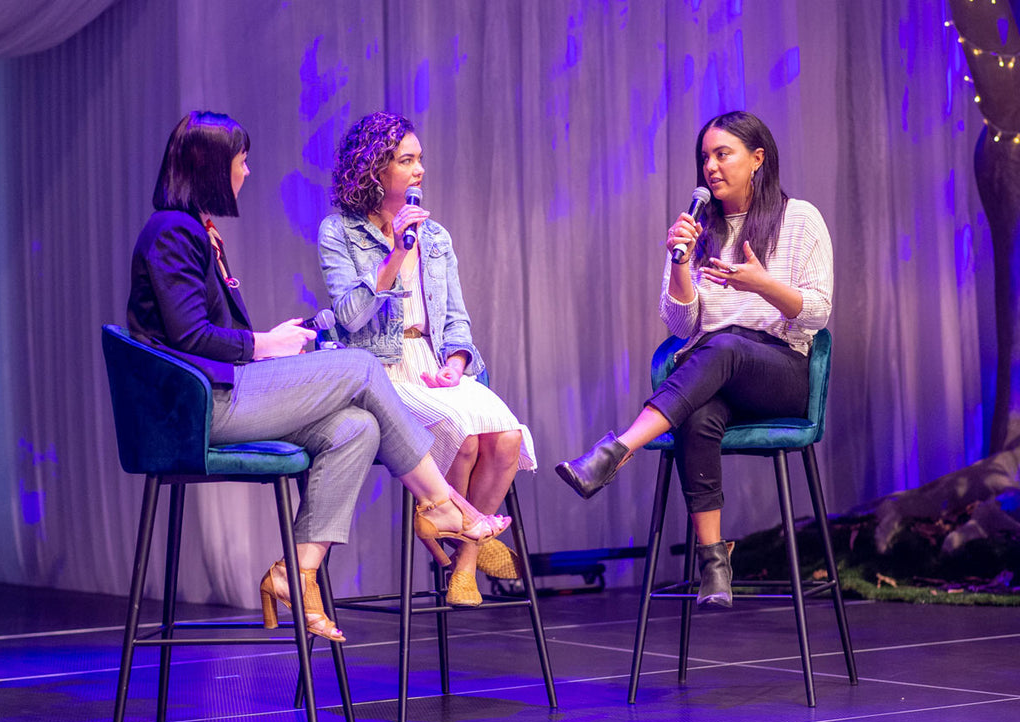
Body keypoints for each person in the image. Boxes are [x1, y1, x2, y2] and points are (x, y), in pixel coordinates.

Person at [126, 111, 510, 642]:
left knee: (357, 428)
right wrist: (263, 345)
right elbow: (188, 337)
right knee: (357, 365)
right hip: (193, 408)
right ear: (210, 166)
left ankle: (293, 572)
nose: (247, 171)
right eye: (241, 161)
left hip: (222, 389)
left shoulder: (196, 230)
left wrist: (269, 344)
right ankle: (443, 502)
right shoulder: (172, 231)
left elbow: (200, 333)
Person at [556, 111, 833, 609]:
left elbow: (816, 313)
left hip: (780, 373)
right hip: (714, 375)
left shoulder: (800, 218)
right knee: (698, 413)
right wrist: (681, 260)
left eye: (722, 154)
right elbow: (681, 326)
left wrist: (762, 284)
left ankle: (617, 450)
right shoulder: (696, 228)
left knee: (723, 346)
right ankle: (714, 562)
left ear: (757, 159)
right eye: (705, 157)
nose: (710, 166)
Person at [318, 111, 537, 607]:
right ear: (375, 170)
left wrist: (457, 361)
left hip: (430, 362)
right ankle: (450, 525)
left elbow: (457, 317)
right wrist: (395, 252)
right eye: (406, 161)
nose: (419, 171)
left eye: (420, 160)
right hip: (376, 368)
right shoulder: (340, 232)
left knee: (505, 438)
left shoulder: (435, 237)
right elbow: (350, 316)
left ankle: (463, 564)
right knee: (458, 436)